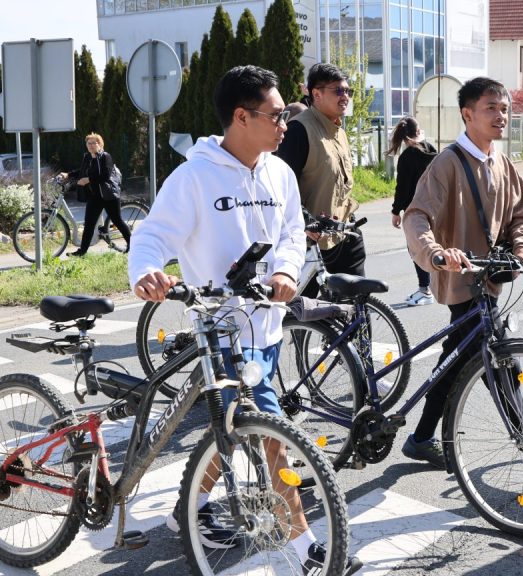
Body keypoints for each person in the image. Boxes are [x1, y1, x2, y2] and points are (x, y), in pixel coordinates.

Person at [128, 65, 359, 574]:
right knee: (274, 437)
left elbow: (292, 232)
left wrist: (286, 270)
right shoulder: (194, 177)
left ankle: (186, 507)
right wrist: (146, 271)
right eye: (276, 116)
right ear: (241, 117)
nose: (285, 125)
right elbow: (153, 235)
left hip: (268, 327)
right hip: (223, 331)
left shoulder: (278, 173)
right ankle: (309, 550)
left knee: (236, 424)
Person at [400, 76, 523, 491]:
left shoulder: (502, 163)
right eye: (491, 108)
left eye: (505, 108)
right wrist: (436, 253)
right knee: (503, 368)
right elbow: (416, 216)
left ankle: (420, 438)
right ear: (467, 114)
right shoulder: (447, 163)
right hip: (461, 280)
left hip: (490, 278)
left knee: (456, 361)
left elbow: (521, 216)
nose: (501, 115)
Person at [276, 62, 365, 296]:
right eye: (338, 90)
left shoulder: (339, 131)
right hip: (311, 244)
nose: (345, 96)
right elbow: (281, 187)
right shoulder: (298, 130)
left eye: (347, 90)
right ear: (316, 94)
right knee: (304, 310)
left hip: (344, 236)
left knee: (356, 305)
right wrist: (306, 222)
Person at [389, 116, 438, 306]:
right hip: (436, 208)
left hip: (415, 211)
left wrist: (396, 211)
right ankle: (432, 287)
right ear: (419, 131)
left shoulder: (407, 156)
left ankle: (425, 290)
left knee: (417, 249)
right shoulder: (432, 150)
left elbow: (403, 188)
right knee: (433, 246)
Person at [60, 133, 132, 256]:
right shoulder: (88, 157)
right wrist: (68, 174)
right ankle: (82, 252)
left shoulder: (105, 157)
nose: (92, 145)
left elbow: (105, 175)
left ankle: (133, 246)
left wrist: (88, 180)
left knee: (117, 221)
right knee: (89, 224)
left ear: (100, 144)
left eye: (94, 143)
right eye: (89, 143)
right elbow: (82, 172)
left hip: (109, 195)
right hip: (95, 196)